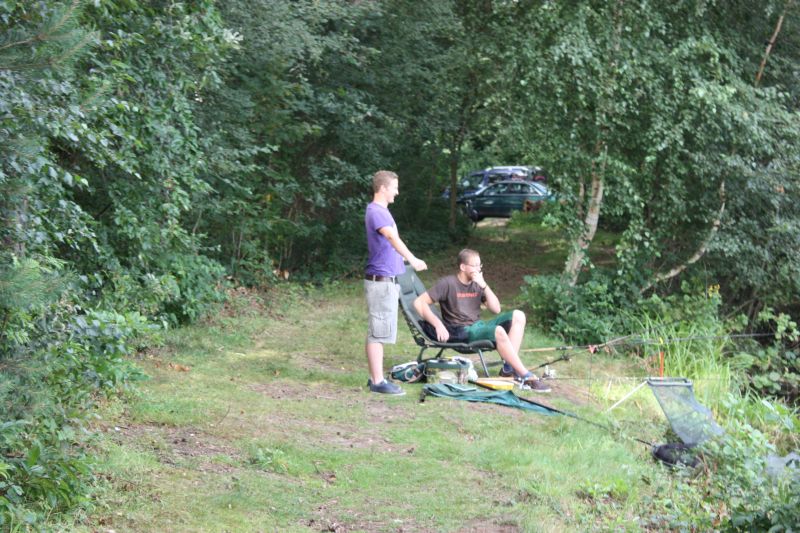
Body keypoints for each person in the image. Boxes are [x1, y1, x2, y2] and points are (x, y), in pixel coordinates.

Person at [413, 248, 551, 392]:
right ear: (463, 267)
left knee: (518, 315)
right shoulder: (447, 283)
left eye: (480, 265)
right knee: (498, 331)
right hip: (460, 331)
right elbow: (419, 302)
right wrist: (438, 324)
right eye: (475, 265)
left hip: (477, 326)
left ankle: (508, 368)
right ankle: (526, 375)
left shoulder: (477, 284)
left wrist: (484, 285)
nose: (478, 269)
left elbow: (496, 309)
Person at [364, 170, 428, 395]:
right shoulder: (376, 211)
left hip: (385, 280)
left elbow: (388, 245)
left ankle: (376, 378)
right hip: (381, 281)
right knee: (378, 330)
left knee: (378, 329)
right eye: (394, 187)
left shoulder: (381, 211)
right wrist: (412, 258)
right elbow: (391, 237)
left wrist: (401, 259)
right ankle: (378, 381)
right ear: (383, 188)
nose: (397, 192)